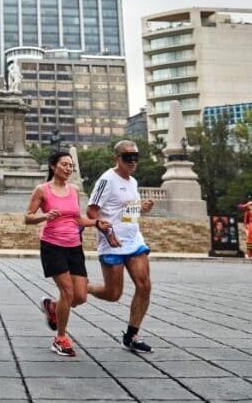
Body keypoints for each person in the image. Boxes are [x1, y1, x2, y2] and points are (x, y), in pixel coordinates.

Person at [27, 151, 109, 357]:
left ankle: (54, 306)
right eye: (64, 164)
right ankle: (60, 338)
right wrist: (44, 216)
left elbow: (77, 219)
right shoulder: (42, 190)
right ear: (53, 166)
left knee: (80, 296)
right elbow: (27, 217)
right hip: (52, 246)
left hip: (74, 247)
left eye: (71, 165)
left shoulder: (74, 191)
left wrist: (96, 223)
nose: (68, 168)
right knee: (68, 292)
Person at [86, 140, 156, 353]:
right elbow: (91, 211)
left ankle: (132, 335)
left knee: (144, 286)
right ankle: (83, 287)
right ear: (116, 158)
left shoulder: (133, 182)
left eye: (136, 156)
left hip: (133, 241)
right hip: (112, 243)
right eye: (128, 157)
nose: (133, 161)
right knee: (113, 293)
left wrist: (140, 209)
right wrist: (106, 231)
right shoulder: (107, 180)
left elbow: (125, 213)